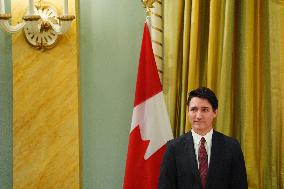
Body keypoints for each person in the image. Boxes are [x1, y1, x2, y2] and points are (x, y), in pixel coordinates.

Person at [158, 87, 248, 189]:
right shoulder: (173, 147)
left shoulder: (231, 147)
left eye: (205, 110)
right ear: (188, 112)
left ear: (215, 112)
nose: (198, 116)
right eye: (193, 109)